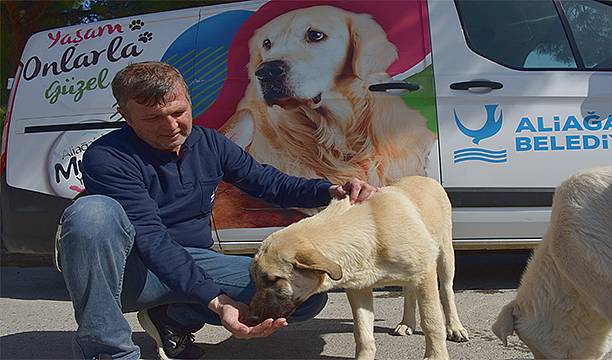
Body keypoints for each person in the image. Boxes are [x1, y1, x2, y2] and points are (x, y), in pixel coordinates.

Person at [56, 61, 379, 360]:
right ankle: (107, 350)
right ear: (125, 116)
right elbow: (152, 239)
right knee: (91, 214)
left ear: (188, 100)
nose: (171, 126)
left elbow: (268, 183)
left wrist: (330, 189)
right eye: (153, 118)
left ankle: (172, 318)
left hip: (194, 258)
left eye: (178, 112)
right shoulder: (108, 157)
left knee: (301, 293)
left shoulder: (211, 144)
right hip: (133, 271)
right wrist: (217, 300)